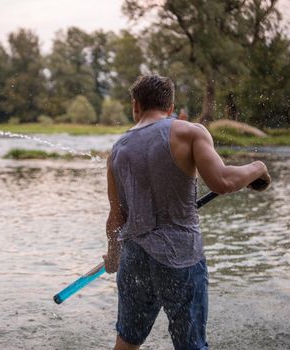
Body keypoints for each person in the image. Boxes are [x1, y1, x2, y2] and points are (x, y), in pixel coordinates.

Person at [103, 75, 271, 350]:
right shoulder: (189, 132)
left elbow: (115, 219)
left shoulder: (117, 150)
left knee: (126, 343)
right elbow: (223, 181)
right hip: (179, 257)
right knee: (191, 346)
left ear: (135, 106)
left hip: (134, 259)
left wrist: (113, 256)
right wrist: (257, 168)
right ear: (170, 107)